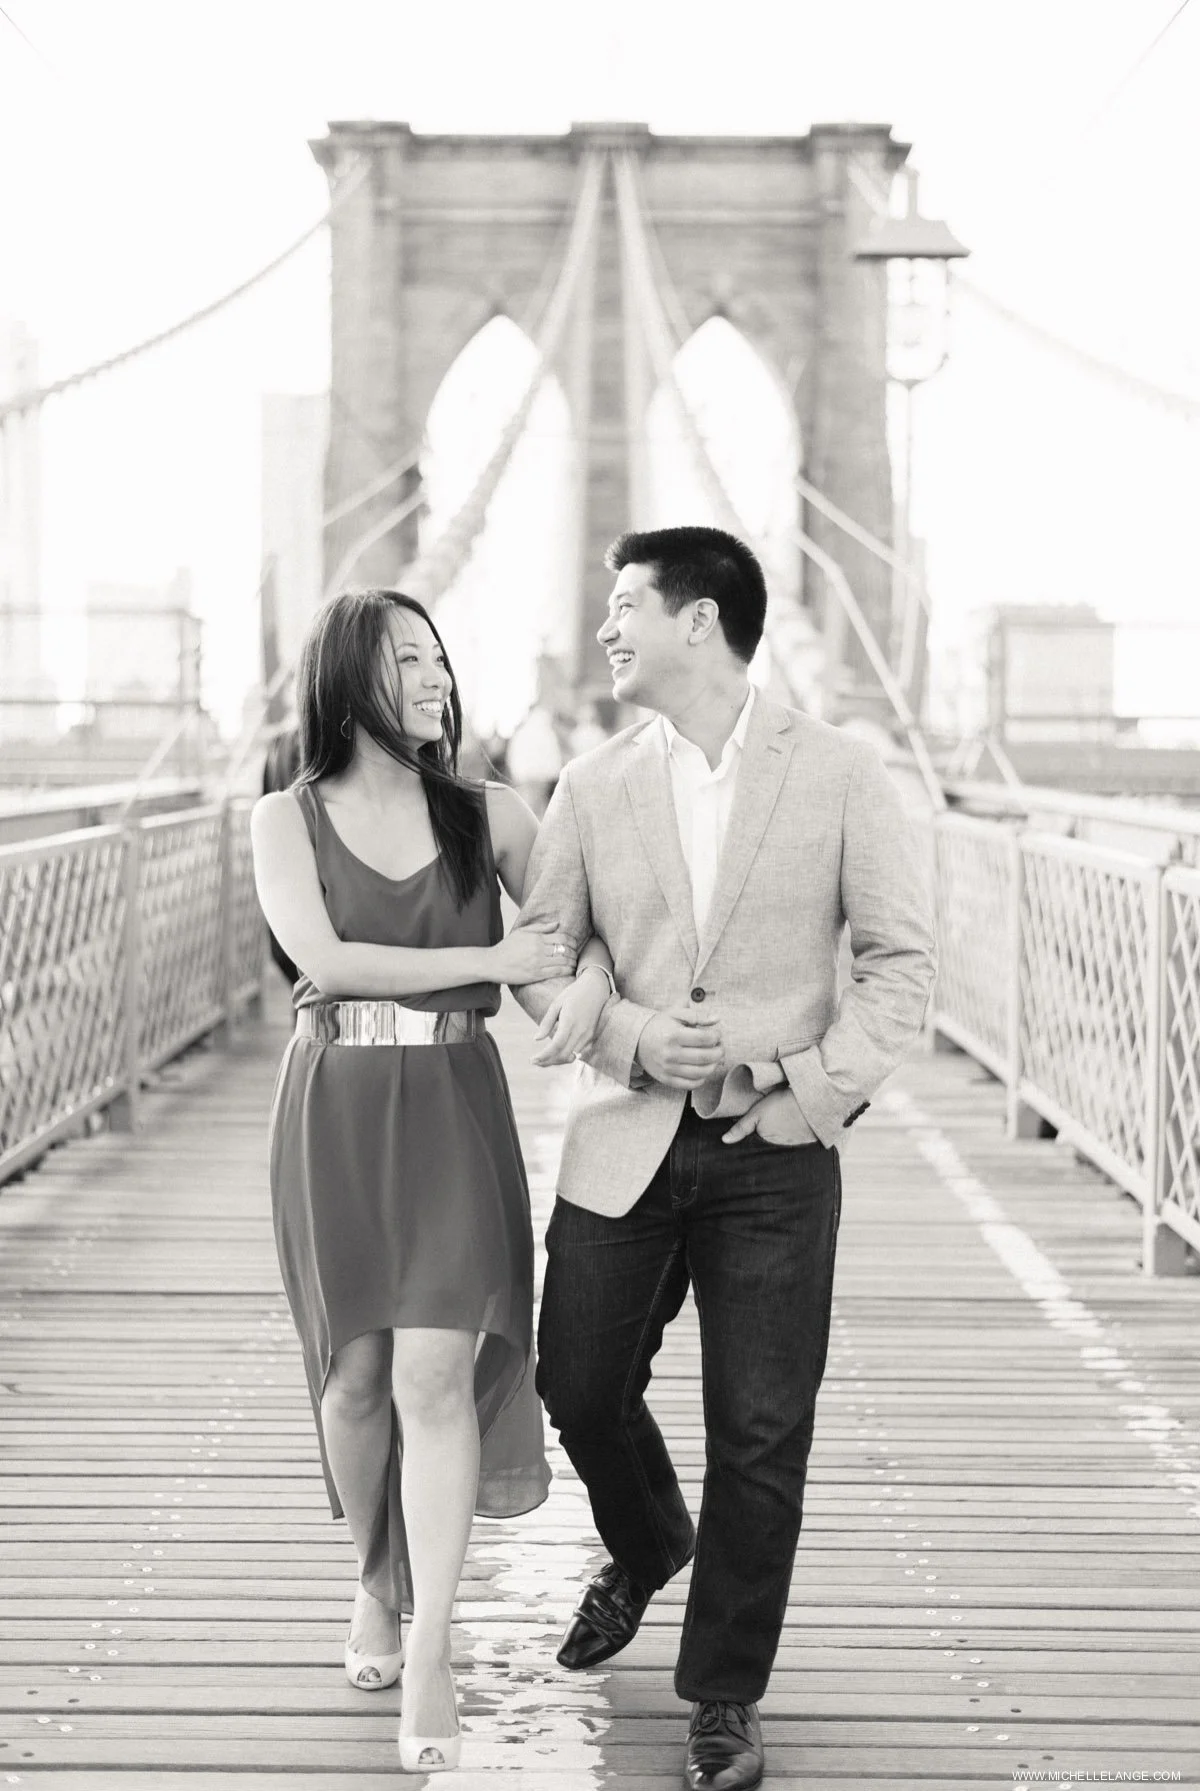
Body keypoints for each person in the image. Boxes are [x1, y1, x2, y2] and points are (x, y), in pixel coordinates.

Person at [513, 527, 937, 1791]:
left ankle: (723, 1697)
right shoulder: (590, 785)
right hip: (627, 1140)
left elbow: (901, 964)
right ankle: (650, 1541)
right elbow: (543, 958)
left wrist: (814, 1094)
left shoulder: (844, 774)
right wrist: (633, 1037)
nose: (606, 628)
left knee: (760, 1432)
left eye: (626, 605)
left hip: (776, 1151)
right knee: (576, 1382)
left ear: (699, 620)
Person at [250, 589, 613, 1773]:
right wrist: (488, 955)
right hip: (335, 1109)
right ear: (348, 675)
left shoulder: (490, 812)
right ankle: (376, 1578)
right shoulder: (283, 820)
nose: (435, 680)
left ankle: (432, 1649)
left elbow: (573, 935)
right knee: (355, 1378)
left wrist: (586, 994)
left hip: (454, 1105)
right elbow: (324, 957)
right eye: (407, 660)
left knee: (434, 1375)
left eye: (439, 661)